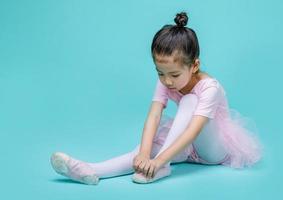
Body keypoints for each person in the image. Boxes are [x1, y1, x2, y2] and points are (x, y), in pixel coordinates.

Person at [50, 11, 263, 185]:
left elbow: (193, 130)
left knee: (189, 100)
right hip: (187, 149)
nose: (167, 81)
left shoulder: (210, 88)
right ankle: (91, 169)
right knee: (145, 151)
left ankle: (162, 167)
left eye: (174, 75)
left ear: (194, 65)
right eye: (160, 73)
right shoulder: (165, 80)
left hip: (213, 148)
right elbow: (153, 117)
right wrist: (144, 154)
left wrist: (160, 160)